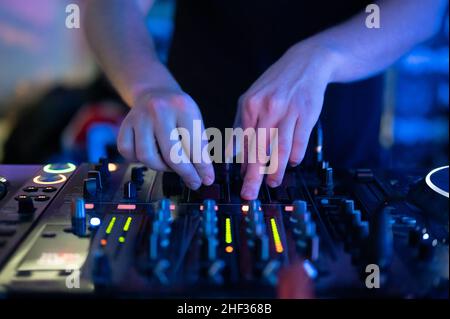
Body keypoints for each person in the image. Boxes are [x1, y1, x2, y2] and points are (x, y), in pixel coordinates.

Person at [84, 0, 447, 200]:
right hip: (192, 166)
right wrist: (148, 85)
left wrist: (322, 57)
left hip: (344, 164)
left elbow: (424, 9)